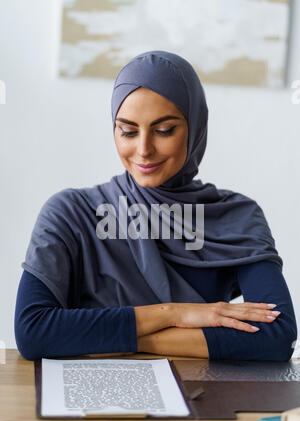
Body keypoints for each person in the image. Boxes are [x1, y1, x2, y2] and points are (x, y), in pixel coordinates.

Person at [14, 50, 297, 361]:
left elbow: (276, 337)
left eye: (164, 130)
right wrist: (175, 314)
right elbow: (35, 332)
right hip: (90, 396)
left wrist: (111, 338)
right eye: (128, 131)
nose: (144, 149)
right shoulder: (70, 212)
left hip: (202, 396)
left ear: (195, 127)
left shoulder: (236, 216)